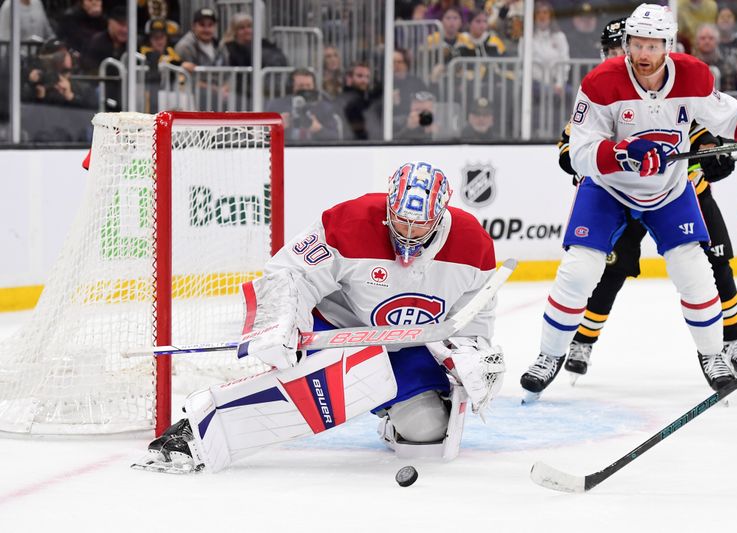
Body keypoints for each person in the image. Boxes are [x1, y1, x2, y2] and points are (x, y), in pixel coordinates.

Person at [136, 162, 505, 473]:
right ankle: (196, 428)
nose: (407, 233)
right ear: (390, 207)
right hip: (336, 330)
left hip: (406, 347)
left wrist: (469, 356)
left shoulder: (473, 243)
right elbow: (289, 274)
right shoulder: (349, 221)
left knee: (426, 432)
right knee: (306, 388)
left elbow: (473, 317)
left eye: (419, 225)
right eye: (400, 220)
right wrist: (283, 324)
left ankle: (391, 420)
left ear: (441, 215)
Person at [520, 3, 737, 399]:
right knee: (579, 271)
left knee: (696, 272)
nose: (643, 54)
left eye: (652, 45)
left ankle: (712, 354)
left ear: (668, 45)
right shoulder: (601, 82)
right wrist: (622, 153)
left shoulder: (694, 75)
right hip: (608, 189)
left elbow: (729, 118)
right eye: (636, 44)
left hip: (668, 190)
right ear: (627, 44)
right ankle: (549, 355)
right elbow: (579, 151)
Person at [556, 18, 737, 387]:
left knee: (715, 264)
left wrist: (712, 154)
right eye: (620, 50)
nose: (630, 57)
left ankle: (732, 341)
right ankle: (582, 341)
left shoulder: (672, 87)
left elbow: (701, 129)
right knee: (611, 269)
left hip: (683, 195)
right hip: (619, 195)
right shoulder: (602, 93)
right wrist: (604, 156)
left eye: (635, 48)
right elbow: (570, 151)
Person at [265, 67, 342, 141]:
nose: (305, 89)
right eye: (301, 86)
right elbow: (264, 138)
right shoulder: (277, 106)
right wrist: (277, 128)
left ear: (314, 87)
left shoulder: (325, 108)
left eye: (308, 86)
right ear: (292, 87)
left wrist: (319, 129)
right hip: (286, 151)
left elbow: (335, 138)